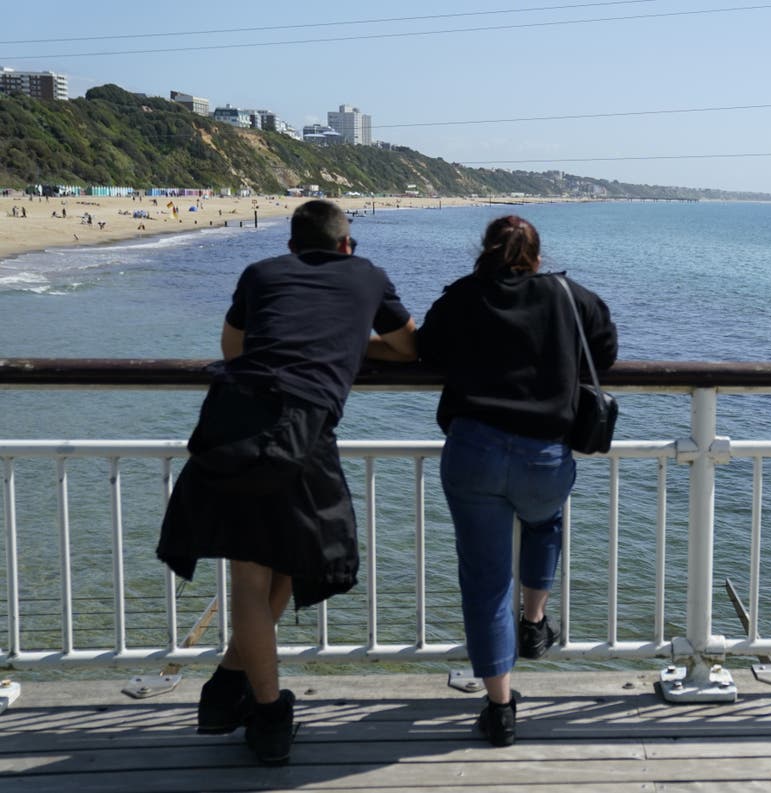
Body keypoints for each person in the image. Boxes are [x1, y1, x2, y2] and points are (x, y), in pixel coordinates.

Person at [156, 199, 417, 765]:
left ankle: (229, 689)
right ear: (348, 244)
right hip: (299, 430)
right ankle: (269, 717)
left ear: (292, 246)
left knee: (263, 569)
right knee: (279, 566)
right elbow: (408, 346)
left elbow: (233, 349)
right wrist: (348, 343)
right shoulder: (367, 275)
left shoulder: (261, 273)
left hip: (229, 421)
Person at [417, 215, 617, 747]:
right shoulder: (569, 295)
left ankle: (500, 708)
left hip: (474, 451)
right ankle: (535, 620)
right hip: (544, 456)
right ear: (537, 254)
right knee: (543, 520)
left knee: (485, 586)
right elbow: (606, 351)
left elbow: (426, 350)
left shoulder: (463, 296)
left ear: (485, 249)